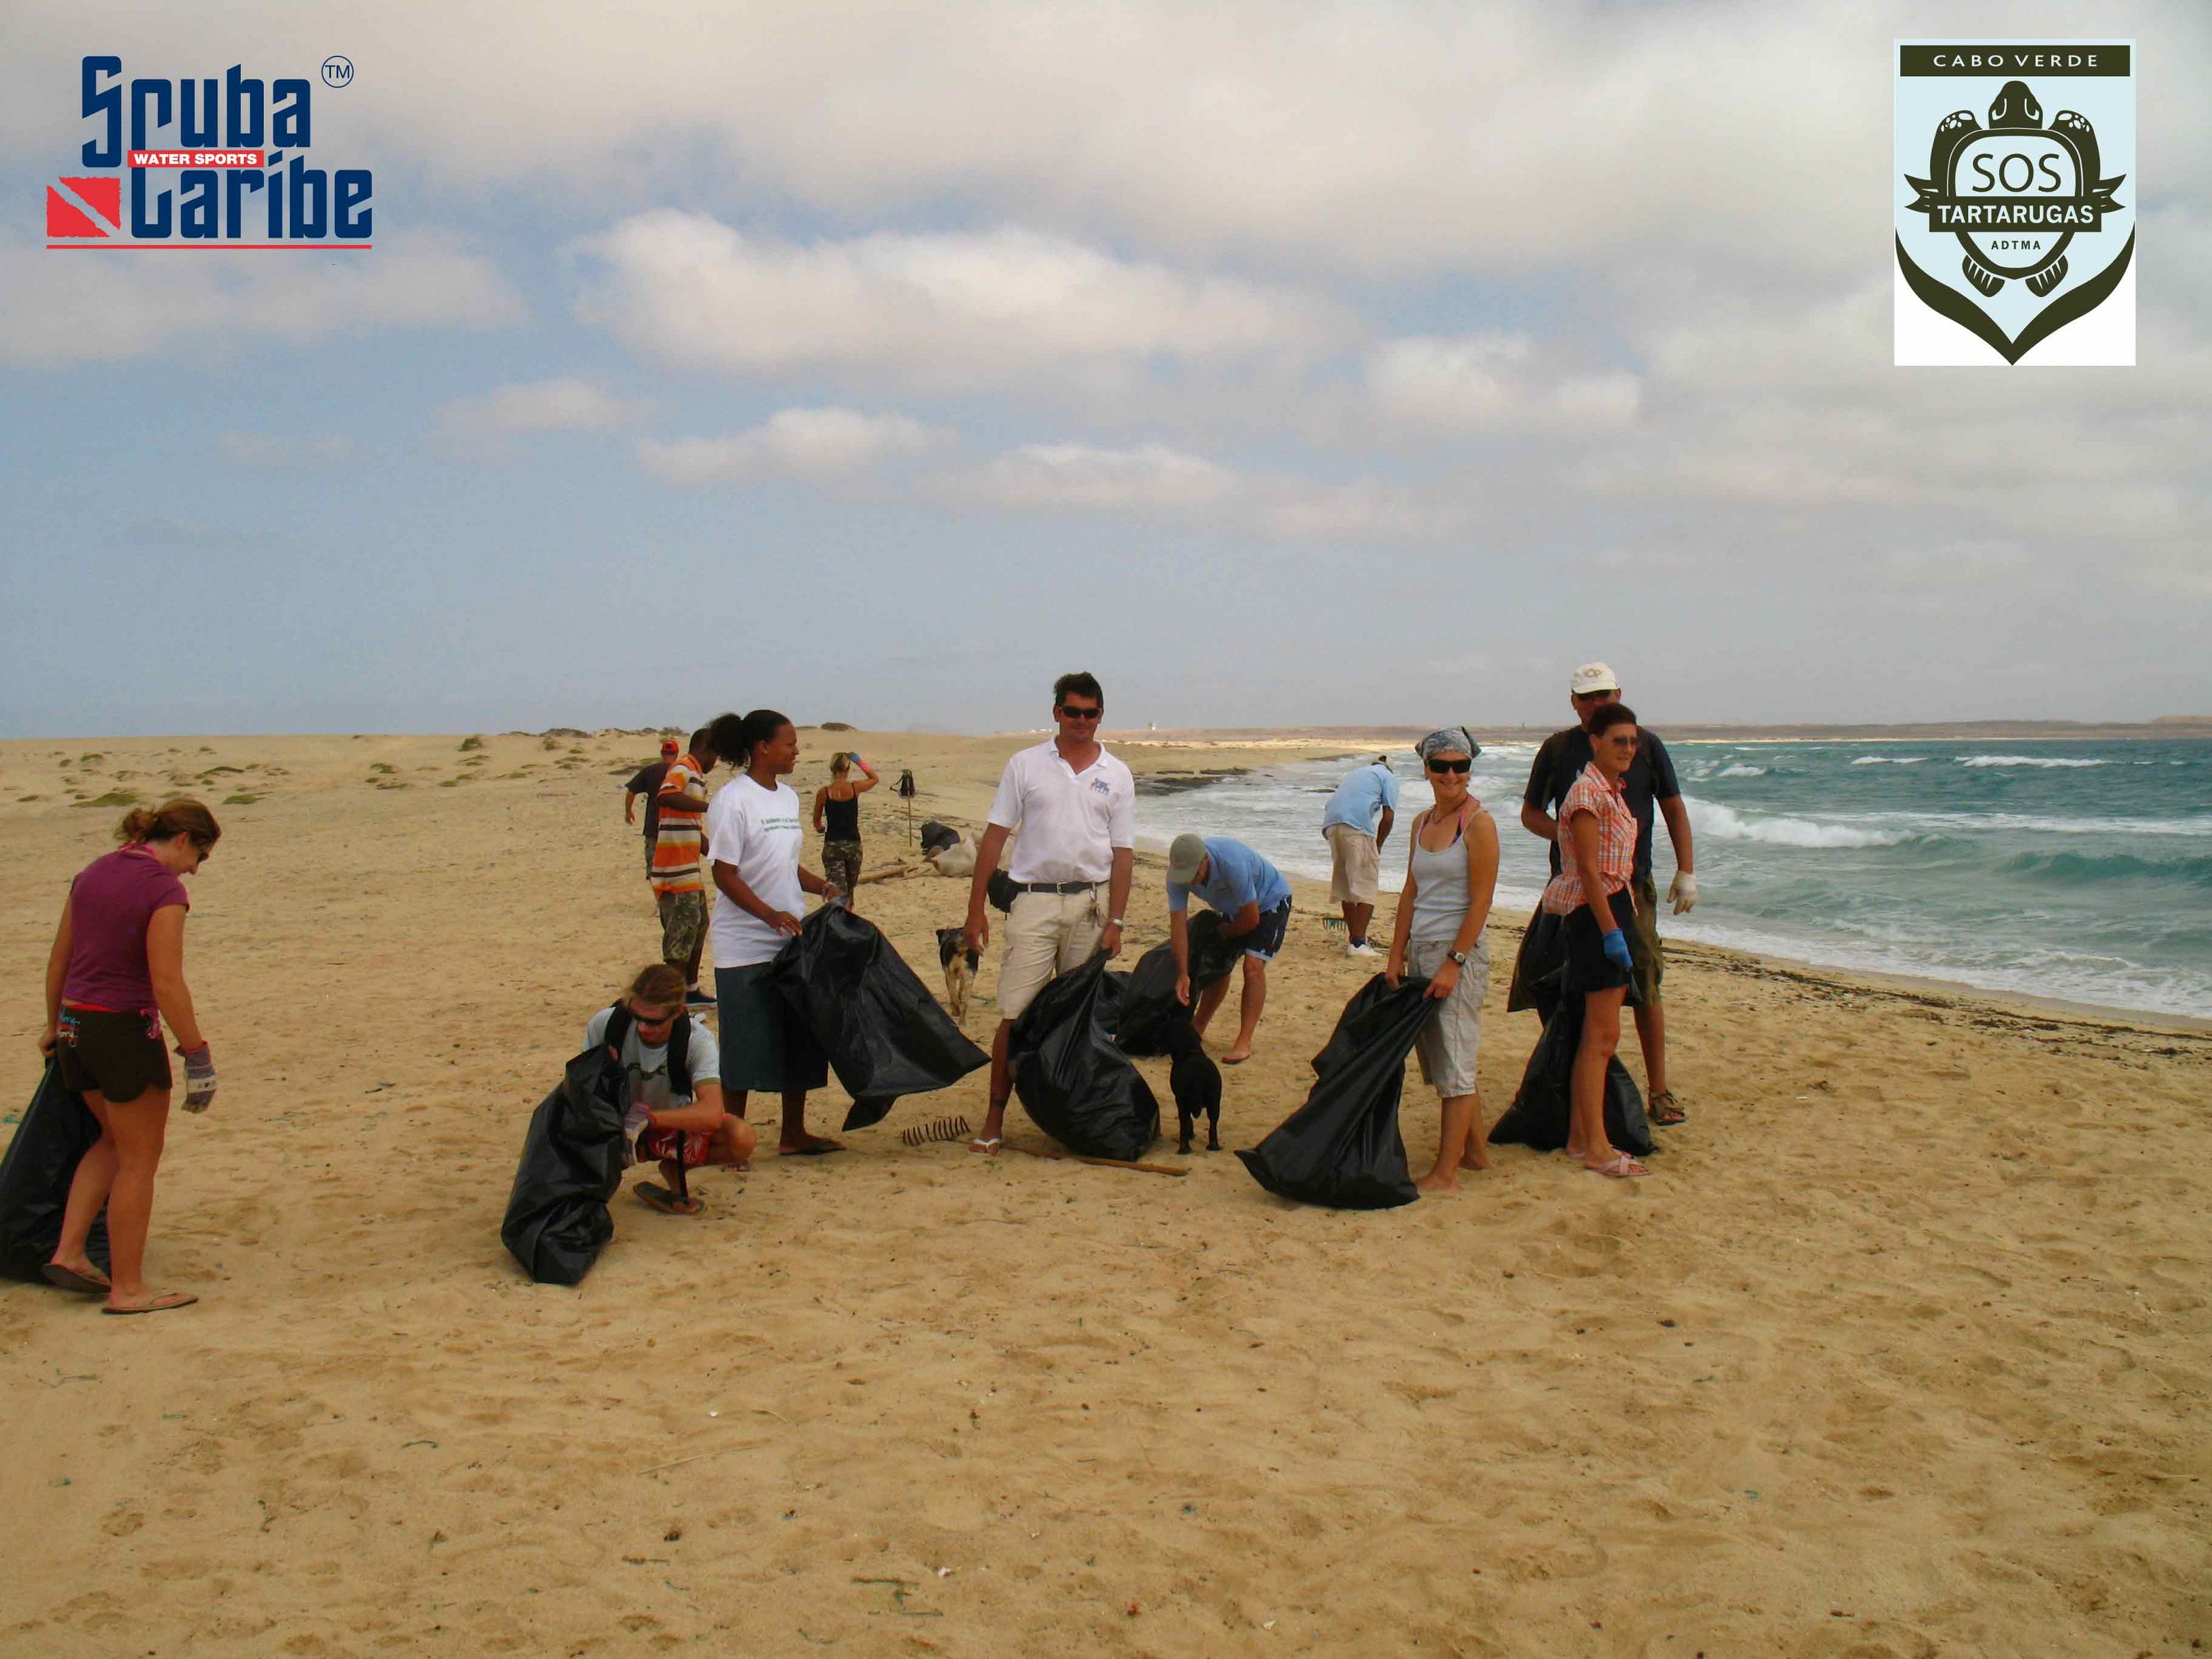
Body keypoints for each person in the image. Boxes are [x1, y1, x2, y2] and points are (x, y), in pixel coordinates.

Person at [38, 799, 221, 1314]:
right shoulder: (164, 889)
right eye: (200, 857)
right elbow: (166, 982)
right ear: (183, 839)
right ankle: (129, 1290)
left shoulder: (93, 872)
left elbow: (60, 960)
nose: (195, 870)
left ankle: (71, 1251)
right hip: (121, 1029)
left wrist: (54, 1026)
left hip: (76, 1025)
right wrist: (196, 1054)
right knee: (141, 1160)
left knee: (113, 1141)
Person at [961, 672, 1135, 1153]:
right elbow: (995, 837)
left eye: (1091, 713)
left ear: (1101, 715)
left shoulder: (1117, 774)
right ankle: (994, 1118)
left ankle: (1075, 1119)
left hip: (1091, 905)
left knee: (1079, 1018)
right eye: (1073, 712)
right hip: (1033, 900)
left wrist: (1117, 921)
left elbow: (1123, 854)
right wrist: (975, 910)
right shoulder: (1025, 765)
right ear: (1057, 713)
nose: (1082, 721)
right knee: (1015, 1012)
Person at [1520, 664, 1696, 1125]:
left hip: (1632, 887)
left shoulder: (1642, 743)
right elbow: (1531, 813)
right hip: (1574, 890)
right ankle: (1575, 1087)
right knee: (1560, 982)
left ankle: (1659, 1091)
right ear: (1573, 702)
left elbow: (1673, 806)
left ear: (1618, 693)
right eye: (1587, 697)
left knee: (1644, 982)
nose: (1596, 704)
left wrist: (1687, 870)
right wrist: (1572, 841)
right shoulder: (1559, 750)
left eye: (1603, 695)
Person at [705, 709, 846, 1155]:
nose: (796, 751)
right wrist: (768, 914)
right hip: (744, 944)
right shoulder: (733, 800)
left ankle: (793, 1134)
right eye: (789, 743)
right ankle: (730, 1139)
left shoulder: (787, 798)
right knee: (743, 1045)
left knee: (798, 1037)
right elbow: (725, 874)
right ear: (762, 747)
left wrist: (822, 886)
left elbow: (784, 865)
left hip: (791, 939)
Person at [1383, 729, 1500, 1193]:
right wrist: (1396, 954)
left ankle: (1446, 1174)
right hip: (1421, 953)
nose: (1451, 774)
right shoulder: (1420, 822)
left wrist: (1455, 961)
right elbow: (1411, 892)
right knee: (1440, 1059)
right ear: (1427, 769)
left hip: (1459, 955)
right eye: (1442, 766)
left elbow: (1482, 899)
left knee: (1456, 1061)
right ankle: (1475, 1154)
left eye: (1460, 765)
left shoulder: (1478, 824)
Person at [1538, 701, 1648, 1178]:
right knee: (1601, 1037)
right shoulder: (1587, 794)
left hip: (1611, 907)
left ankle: (1582, 1139)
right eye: (1619, 740)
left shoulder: (1611, 790)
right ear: (1596, 742)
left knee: (1596, 1033)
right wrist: (1611, 932)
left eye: (1633, 741)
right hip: (1597, 912)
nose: (1628, 748)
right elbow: (1585, 869)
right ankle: (1598, 1149)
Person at [588, 964, 755, 1216]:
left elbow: (712, 1111)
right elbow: (583, 1091)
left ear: (678, 1012)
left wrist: (648, 1119)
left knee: (741, 1138)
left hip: (667, 1126)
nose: (643, 1028)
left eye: (654, 1022)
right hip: (615, 1129)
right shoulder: (606, 1025)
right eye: (638, 1017)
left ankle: (675, 1170)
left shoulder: (697, 1041)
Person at [1165, 832, 1293, 1064]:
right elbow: (1178, 927)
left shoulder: (1231, 862)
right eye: (1183, 876)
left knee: (1252, 966)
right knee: (1217, 963)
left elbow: (1252, 919)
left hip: (1269, 903)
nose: (1189, 881)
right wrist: (1182, 973)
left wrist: (1225, 932)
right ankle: (1199, 1026)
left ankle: (1244, 1041)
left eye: (1193, 874)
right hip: (1236, 910)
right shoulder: (1177, 877)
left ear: (1205, 859)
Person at [652, 727, 720, 1009]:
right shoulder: (683, 768)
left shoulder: (696, 775)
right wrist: (710, 808)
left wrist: (717, 854)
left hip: (688, 868)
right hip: (674, 870)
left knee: (699, 925)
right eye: (715, 754)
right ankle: (673, 1001)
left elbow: (691, 827)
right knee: (680, 937)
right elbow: (666, 795)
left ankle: (690, 991)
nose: (716, 761)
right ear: (705, 747)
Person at [1321, 754, 1399, 956]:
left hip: (1332, 825)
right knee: (1366, 885)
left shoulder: (1356, 773)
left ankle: (1354, 941)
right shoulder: (1388, 777)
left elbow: (1331, 804)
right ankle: (1358, 943)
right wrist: (1378, 845)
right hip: (1356, 827)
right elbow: (1388, 816)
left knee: (1345, 885)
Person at [811, 750, 880, 911]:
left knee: (838, 892)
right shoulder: (855, 788)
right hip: (853, 845)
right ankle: (848, 918)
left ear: (831, 769)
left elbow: (817, 821)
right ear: (847, 769)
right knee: (850, 888)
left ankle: (843, 921)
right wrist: (860, 761)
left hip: (833, 845)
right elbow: (875, 778)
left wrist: (821, 828)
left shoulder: (824, 792)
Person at [624, 737, 681, 878]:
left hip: (653, 826)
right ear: (677, 754)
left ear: (662, 753)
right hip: (677, 827)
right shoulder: (681, 772)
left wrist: (628, 812)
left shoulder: (650, 770)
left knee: (654, 869)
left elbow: (631, 792)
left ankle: (660, 898)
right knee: (676, 869)